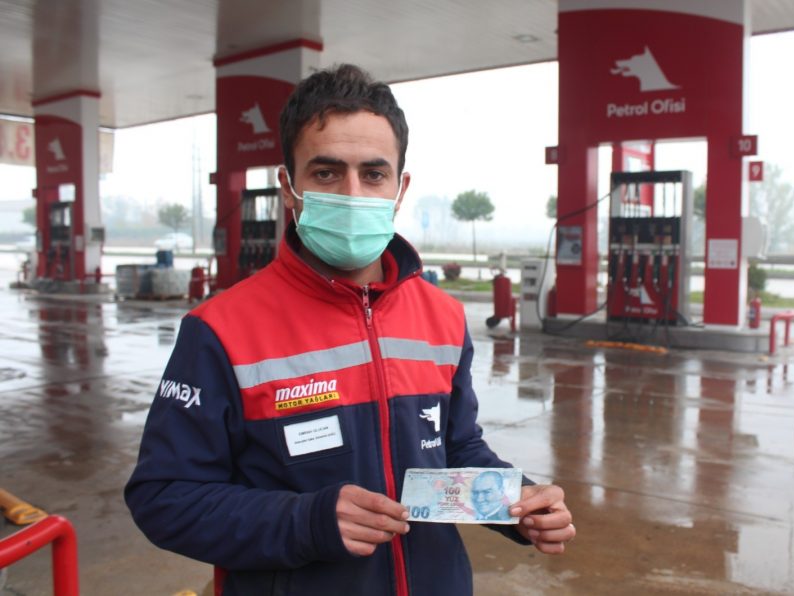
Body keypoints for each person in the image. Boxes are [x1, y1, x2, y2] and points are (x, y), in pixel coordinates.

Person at [124, 63, 575, 596]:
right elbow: (164, 497)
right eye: (326, 173)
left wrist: (517, 503)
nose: (353, 193)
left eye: (374, 174)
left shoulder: (444, 317)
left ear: (400, 188)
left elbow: (454, 449)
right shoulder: (219, 330)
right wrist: (306, 522)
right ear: (288, 187)